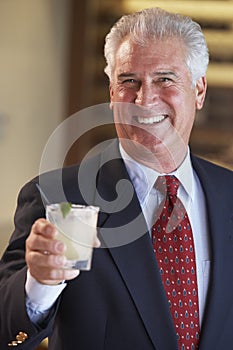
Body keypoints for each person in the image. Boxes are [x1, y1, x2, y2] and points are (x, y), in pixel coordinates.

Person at [0, 7, 233, 350]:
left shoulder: (228, 195)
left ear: (199, 91)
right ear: (111, 94)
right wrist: (39, 284)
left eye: (165, 79)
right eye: (129, 82)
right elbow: (7, 334)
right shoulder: (59, 196)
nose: (145, 99)